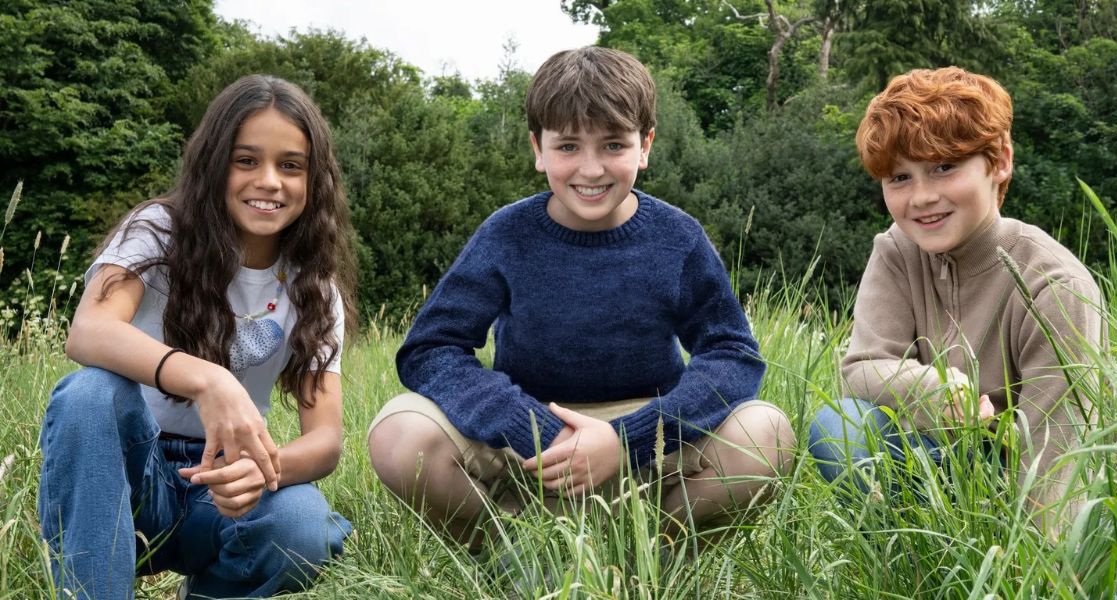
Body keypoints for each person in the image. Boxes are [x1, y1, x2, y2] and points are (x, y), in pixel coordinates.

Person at [367, 47, 796, 556]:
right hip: (526, 448)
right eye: (568, 146)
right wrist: (531, 427)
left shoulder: (677, 237)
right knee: (399, 433)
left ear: (645, 145)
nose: (591, 169)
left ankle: (650, 560)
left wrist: (627, 439)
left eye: (613, 144)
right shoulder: (507, 234)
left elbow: (732, 353)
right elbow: (429, 349)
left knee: (767, 432)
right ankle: (515, 558)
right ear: (538, 148)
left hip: (648, 447)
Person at [38, 74, 356, 599]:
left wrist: (263, 469)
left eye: (291, 166)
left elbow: (325, 441)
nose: (269, 181)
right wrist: (210, 380)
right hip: (124, 469)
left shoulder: (315, 288)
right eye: (246, 160)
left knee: (303, 524)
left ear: (314, 180)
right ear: (213, 163)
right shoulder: (157, 230)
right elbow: (88, 330)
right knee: (90, 393)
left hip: (222, 485)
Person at [807, 66, 1103, 530]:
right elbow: (862, 368)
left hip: (1016, 472)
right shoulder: (896, 252)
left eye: (944, 167)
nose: (922, 197)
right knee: (837, 426)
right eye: (899, 178)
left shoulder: (1055, 283)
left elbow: (1059, 446)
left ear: (999, 161)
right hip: (929, 455)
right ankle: (905, 555)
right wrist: (936, 391)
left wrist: (1036, 555)